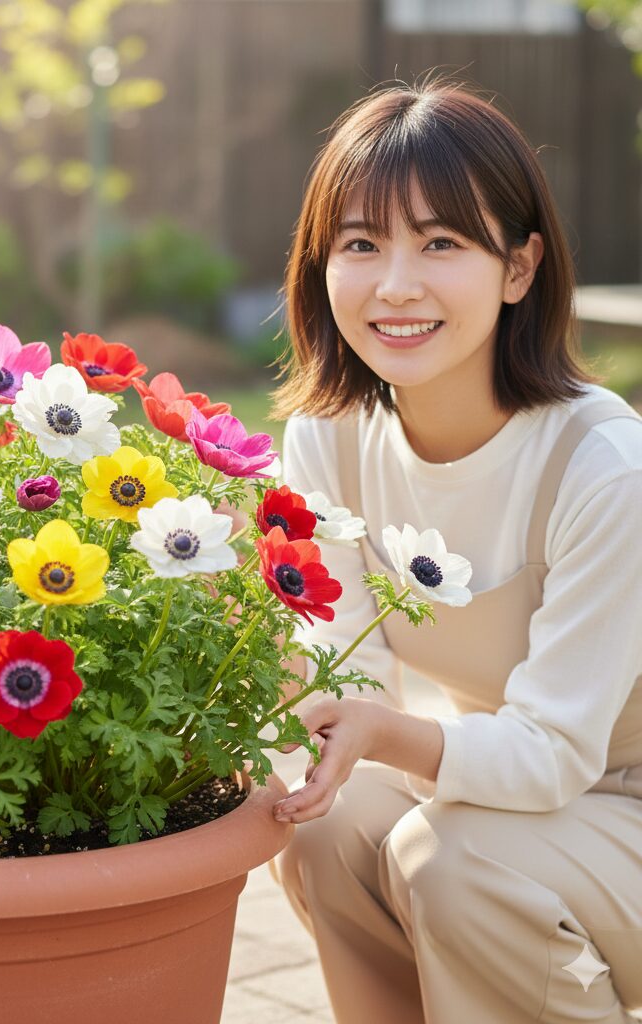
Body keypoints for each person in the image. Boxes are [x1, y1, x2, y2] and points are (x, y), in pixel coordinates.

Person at [264, 72, 642, 1024]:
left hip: (615, 812)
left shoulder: (605, 466)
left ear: (519, 268)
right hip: (513, 800)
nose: (396, 284)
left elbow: (554, 752)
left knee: (456, 862)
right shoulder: (332, 436)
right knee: (324, 822)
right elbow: (347, 679)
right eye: (361, 244)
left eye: (441, 243)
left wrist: (390, 738)